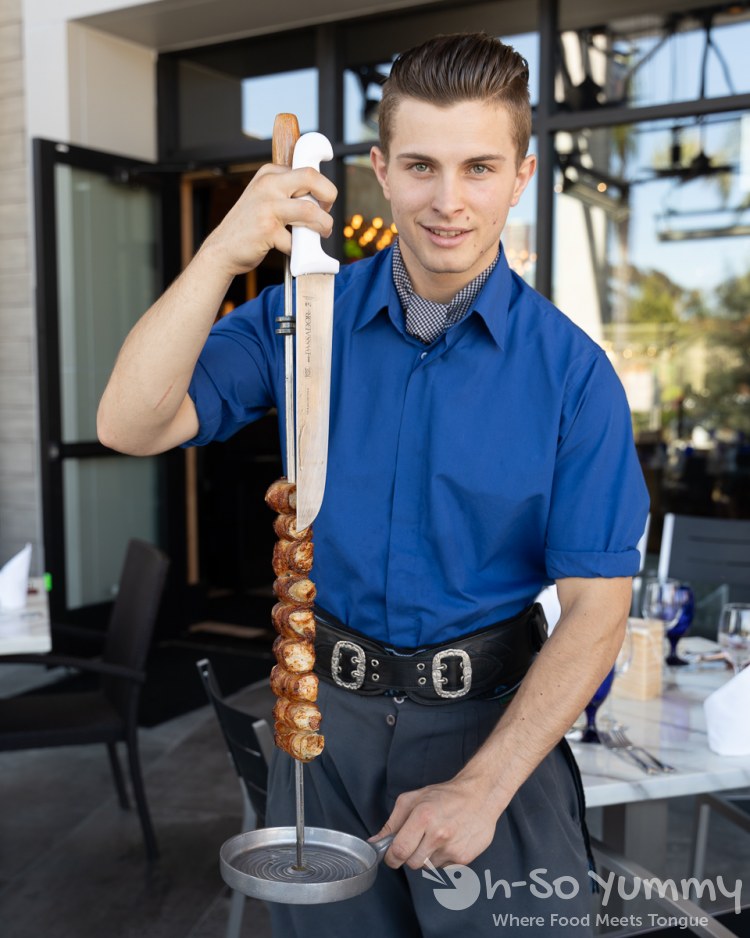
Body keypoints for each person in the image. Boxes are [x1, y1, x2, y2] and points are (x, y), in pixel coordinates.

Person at [98, 32, 649, 937]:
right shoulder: (296, 318)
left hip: (494, 743)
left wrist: (481, 788)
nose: (448, 201)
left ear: (520, 176)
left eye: (479, 168)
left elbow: (595, 608)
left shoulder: (575, 377)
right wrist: (225, 253)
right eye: (422, 166)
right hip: (324, 742)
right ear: (383, 170)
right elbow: (131, 421)